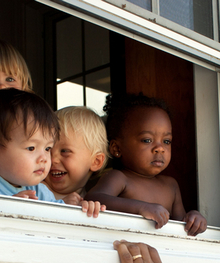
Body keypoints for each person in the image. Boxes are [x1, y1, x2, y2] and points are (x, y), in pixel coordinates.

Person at [85, 94, 207, 236]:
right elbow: (93, 198)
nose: (160, 148)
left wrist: (193, 218)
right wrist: (141, 207)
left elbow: (181, 224)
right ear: (117, 148)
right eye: (147, 140)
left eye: (166, 141)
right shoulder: (119, 178)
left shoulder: (171, 186)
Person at [0, 89, 103, 217]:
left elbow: (59, 221)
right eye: (31, 148)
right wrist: (7, 208)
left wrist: (80, 210)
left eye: (47, 149)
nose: (45, 158)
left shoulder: (40, 192)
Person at [44, 106, 109, 209]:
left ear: (95, 161)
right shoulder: (32, 189)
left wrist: (90, 211)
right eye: (48, 149)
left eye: (65, 151)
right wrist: (60, 205)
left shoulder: (90, 200)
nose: (53, 159)